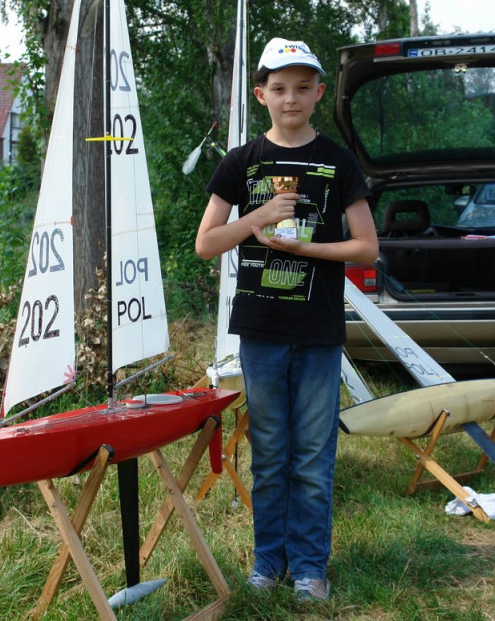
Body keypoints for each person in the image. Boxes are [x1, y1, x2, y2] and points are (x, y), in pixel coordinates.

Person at [195, 37, 379, 601]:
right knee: (270, 453)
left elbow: (367, 248)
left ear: (319, 93)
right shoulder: (240, 162)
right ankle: (265, 565)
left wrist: (310, 251)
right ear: (261, 95)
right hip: (260, 333)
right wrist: (258, 217)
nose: (291, 97)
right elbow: (206, 244)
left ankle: (308, 570)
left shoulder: (338, 161)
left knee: (312, 456)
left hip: (319, 331)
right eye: (279, 87)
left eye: (302, 87)